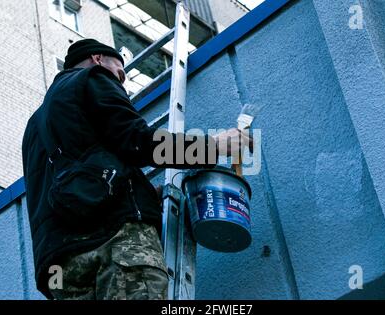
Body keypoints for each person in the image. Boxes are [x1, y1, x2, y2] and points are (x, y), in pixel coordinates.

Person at [22, 39, 251, 300]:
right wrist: (213, 146)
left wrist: (144, 195)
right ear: (98, 59)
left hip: (58, 269)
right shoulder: (92, 78)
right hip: (114, 242)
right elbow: (140, 142)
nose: (122, 85)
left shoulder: (33, 128)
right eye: (120, 74)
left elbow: (77, 172)